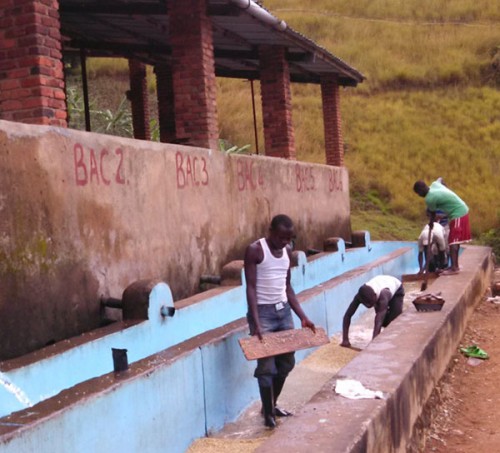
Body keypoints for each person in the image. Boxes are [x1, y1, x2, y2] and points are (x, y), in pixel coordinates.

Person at [244, 214, 316, 429]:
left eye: (289, 238)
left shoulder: (287, 251)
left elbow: (288, 287)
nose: (285, 242)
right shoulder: (256, 250)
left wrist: (302, 316)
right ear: (271, 231)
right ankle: (268, 415)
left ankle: (271, 405)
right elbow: (250, 287)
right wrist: (255, 321)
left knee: (286, 362)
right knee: (266, 366)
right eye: (282, 238)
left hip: (283, 311)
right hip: (263, 313)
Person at [413, 179, 471, 274]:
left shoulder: (429, 198)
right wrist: (446, 192)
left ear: (421, 190)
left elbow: (432, 214)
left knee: (453, 241)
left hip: (458, 213)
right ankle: (454, 266)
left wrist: (431, 223)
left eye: (418, 193)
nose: (419, 196)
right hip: (459, 211)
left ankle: (454, 268)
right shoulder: (434, 185)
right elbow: (440, 179)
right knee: (454, 241)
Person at [340, 275, 404, 348]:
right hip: (380, 287)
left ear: (375, 296)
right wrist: (345, 339)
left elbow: (379, 320)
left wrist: (373, 344)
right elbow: (347, 315)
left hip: (397, 289)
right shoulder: (360, 295)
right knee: (384, 320)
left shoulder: (384, 294)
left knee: (394, 320)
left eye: (370, 303)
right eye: (365, 304)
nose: (368, 306)